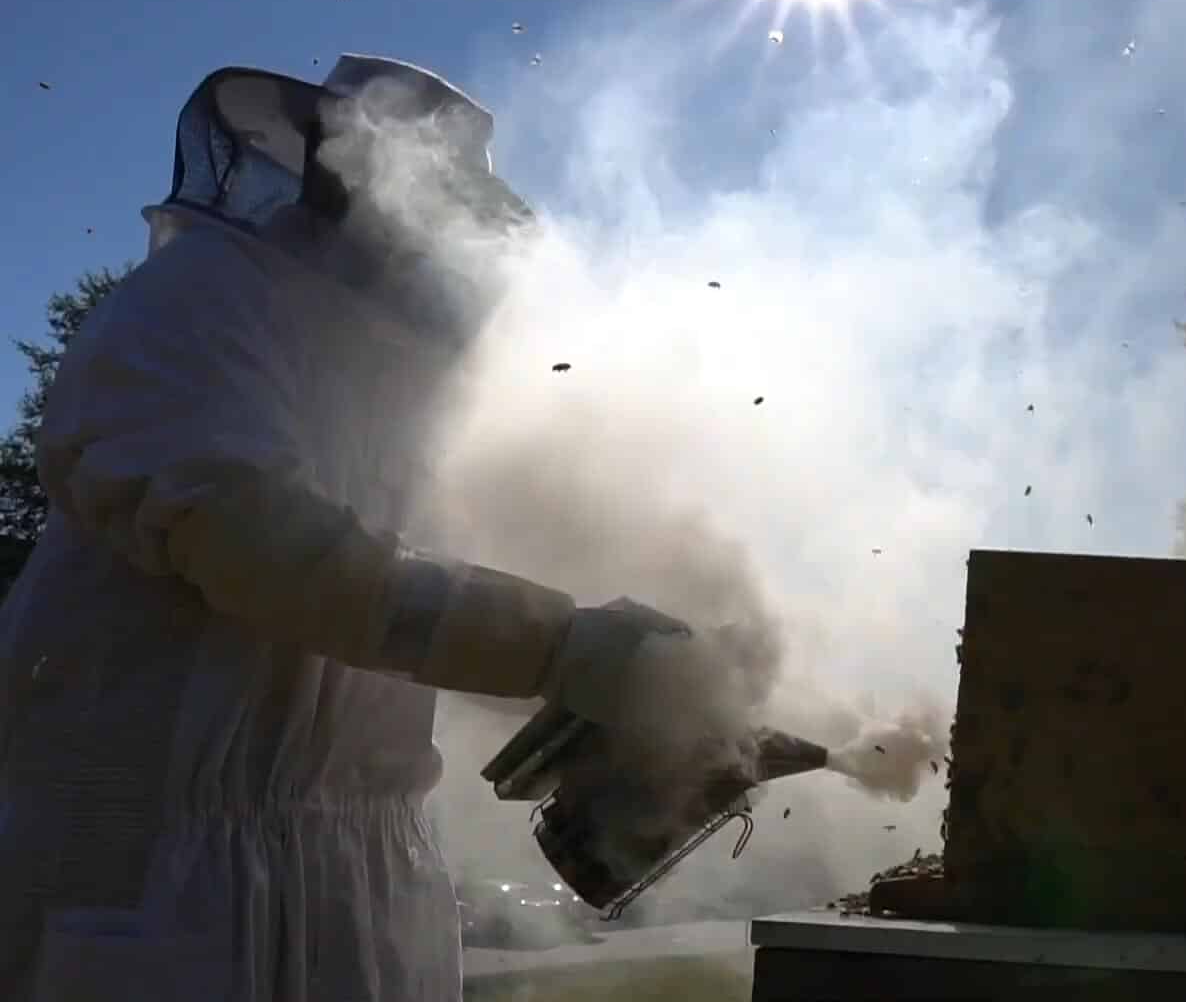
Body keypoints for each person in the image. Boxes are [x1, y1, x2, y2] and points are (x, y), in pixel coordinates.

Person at [0, 55, 712, 1000]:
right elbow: (248, 538)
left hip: (357, 881)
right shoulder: (201, 300)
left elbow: (406, 609)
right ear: (345, 166)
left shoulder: (389, 388)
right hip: (157, 884)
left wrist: (644, 686)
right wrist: (556, 646)